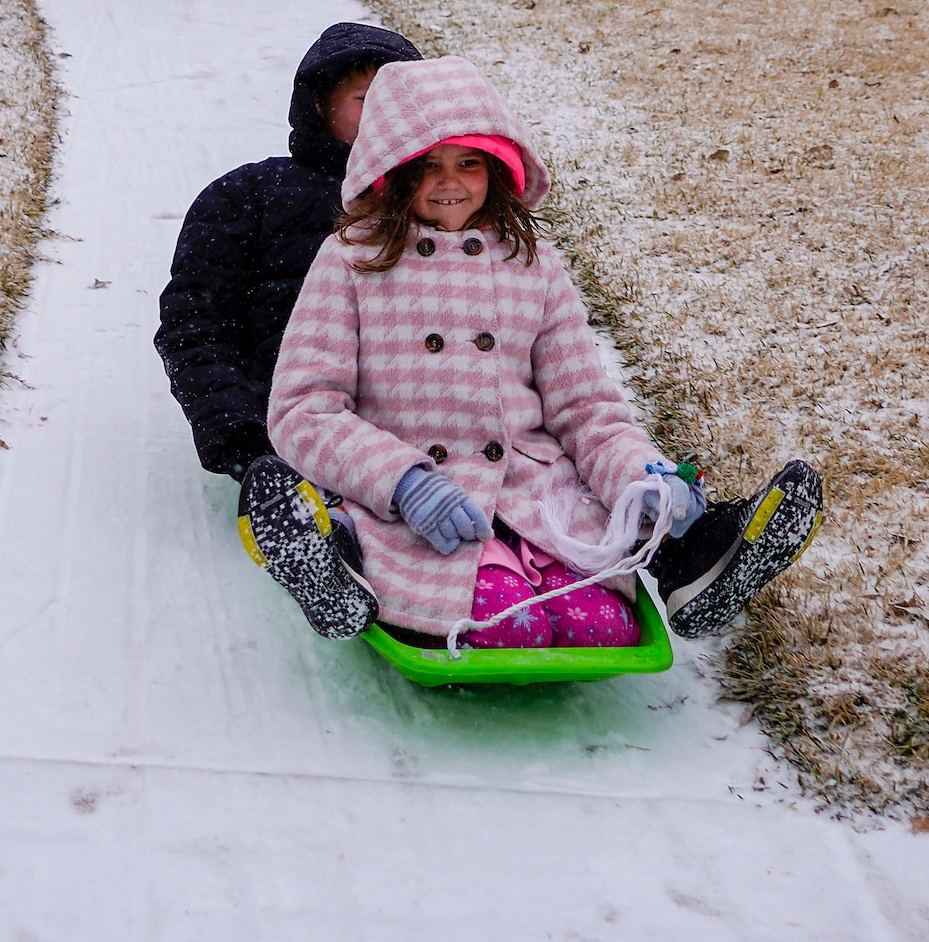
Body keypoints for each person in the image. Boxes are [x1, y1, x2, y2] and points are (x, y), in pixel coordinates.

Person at [243, 57, 825, 647]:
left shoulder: (532, 263)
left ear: (498, 166)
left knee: (598, 627)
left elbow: (585, 410)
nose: (450, 182)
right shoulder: (351, 261)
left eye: (468, 162)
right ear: (391, 170)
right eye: (428, 165)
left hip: (532, 496)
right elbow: (303, 408)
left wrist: (641, 480)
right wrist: (402, 482)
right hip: (410, 502)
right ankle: (333, 554)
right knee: (510, 625)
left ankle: (691, 553)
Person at [156, 22, 422, 478]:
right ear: (320, 106)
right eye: (363, 99)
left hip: (424, 428)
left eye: (396, 100)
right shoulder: (249, 197)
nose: (383, 115)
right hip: (285, 424)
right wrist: (241, 432)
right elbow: (196, 321)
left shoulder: (446, 198)